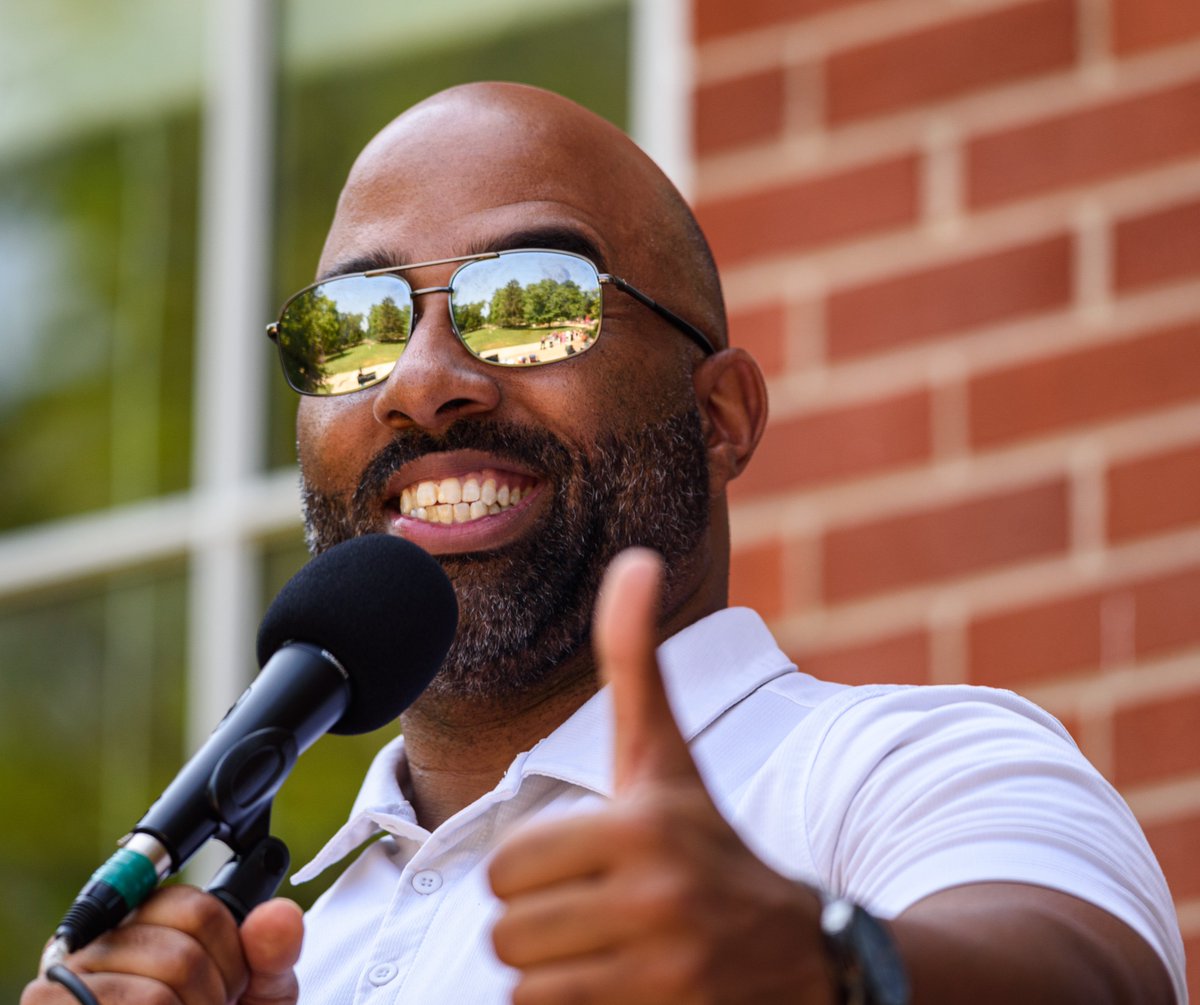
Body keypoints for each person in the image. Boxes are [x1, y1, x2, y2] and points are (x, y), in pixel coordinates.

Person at [24, 82, 1186, 1004]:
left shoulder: (893, 774)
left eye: (533, 299)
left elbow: (1091, 973)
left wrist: (823, 971)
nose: (422, 384)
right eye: (358, 326)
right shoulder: (278, 954)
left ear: (720, 417)